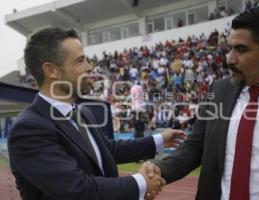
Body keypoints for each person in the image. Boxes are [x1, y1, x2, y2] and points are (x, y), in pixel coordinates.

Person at [7, 27, 186, 200]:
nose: (90, 67)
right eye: (80, 61)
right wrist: (141, 183)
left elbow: (107, 150)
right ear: (51, 70)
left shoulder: (83, 113)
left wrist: (158, 140)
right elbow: (78, 189)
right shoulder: (29, 129)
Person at [147, 4, 259, 200]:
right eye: (230, 48)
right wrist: (159, 169)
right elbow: (195, 146)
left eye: (241, 49)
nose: (230, 59)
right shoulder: (220, 90)